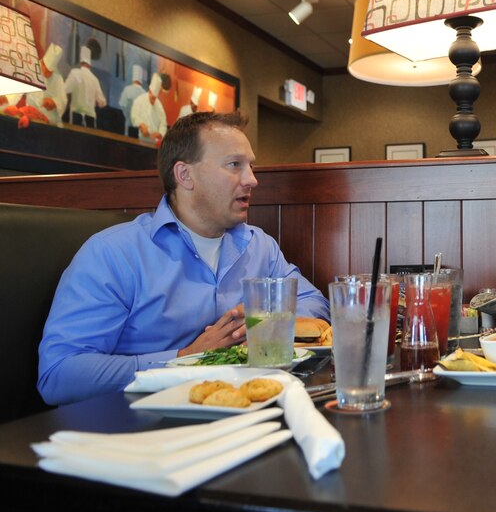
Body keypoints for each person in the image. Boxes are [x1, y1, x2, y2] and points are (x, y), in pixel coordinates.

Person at [38, 111, 330, 406]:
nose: (252, 179)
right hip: (141, 428)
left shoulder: (259, 246)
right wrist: (184, 360)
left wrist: (264, 320)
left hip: (246, 414)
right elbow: (59, 375)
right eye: (234, 165)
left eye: (251, 166)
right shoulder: (113, 253)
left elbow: (314, 303)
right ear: (185, 175)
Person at [64, 45, 106, 127]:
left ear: (81, 62)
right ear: (90, 65)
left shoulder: (74, 73)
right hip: (90, 117)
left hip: (76, 115)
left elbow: (65, 89)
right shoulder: (95, 79)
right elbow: (102, 102)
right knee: (90, 139)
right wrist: (96, 102)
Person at [26, 42, 67, 126]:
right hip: (32, 116)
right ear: (42, 63)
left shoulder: (58, 77)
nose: (46, 74)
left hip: (51, 121)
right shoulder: (33, 69)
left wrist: (54, 102)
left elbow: (63, 100)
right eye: (45, 70)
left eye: (49, 72)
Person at [131, 72, 168, 144]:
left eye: (155, 98)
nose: (153, 100)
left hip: (154, 142)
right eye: (152, 98)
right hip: (140, 139)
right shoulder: (139, 100)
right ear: (149, 91)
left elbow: (163, 124)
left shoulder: (159, 106)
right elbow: (134, 115)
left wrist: (160, 133)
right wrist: (141, 124)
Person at [118, 64, 146, 136]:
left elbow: (121, 106)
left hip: (128, 125)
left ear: (133, 78)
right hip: (140, 129)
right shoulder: (144, 93)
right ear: (141, 80)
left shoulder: (127, 90)